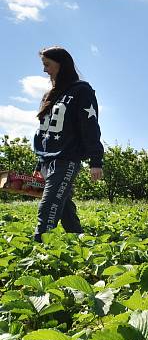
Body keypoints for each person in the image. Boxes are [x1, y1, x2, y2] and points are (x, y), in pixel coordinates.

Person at [32, 47, 103, 242]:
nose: (45, 70)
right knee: (62, 204)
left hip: (67, 157)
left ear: (61, 64)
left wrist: (96, 160)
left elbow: (89, 126)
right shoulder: (49, 95)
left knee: (48, 206)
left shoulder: (81, 90)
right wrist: (40, 163)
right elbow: (43, 132)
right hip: (47, 160)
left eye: (47, 65)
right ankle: (78, 238)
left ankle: (39, 247)